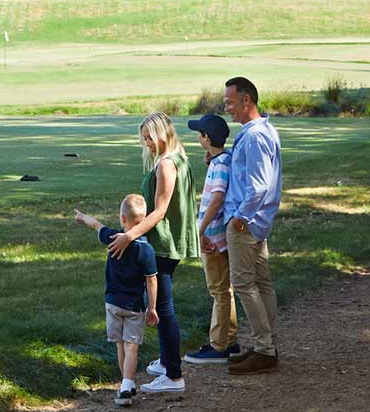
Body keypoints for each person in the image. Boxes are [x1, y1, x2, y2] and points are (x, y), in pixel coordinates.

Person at [108, 111, 199, 394]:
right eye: (144, 138)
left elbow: (159, 211)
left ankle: (173, 375)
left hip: (163, 243)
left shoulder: (166, 165)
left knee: (163, 309)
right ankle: (166, 360)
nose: (147, 142)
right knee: (160, 304)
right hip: (167, 242)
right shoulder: (178, 158)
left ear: (162, 133)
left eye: (150, 137)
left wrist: (128, 236)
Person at [74, 196, 159, 407]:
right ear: (145, 219)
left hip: (112, 303)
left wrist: (82, 217)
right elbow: (152, 280)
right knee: (132, 347)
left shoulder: (112, 237)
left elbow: (96, 224)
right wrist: (153, 307)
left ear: (122, 218)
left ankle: (125, 385)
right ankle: (126, 385)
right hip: (134, 306)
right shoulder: (146, 249)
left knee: (121, 345)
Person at [223, 75, 282, 375]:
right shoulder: (264, 131)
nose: (227, 109)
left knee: (244, 284)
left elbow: (258, 187)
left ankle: (264, 349)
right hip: (259, 223)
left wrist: (239, 219)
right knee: (262, 283)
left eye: (230, 102)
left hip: (247, 224)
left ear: (246, 100)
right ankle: (265, 343)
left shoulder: (256, 135)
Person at [183, 113, 241, 364]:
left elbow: (216, 199)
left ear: (206, 138)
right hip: (221, 236)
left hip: (213, 236)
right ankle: (230, 341)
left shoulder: (219, 165)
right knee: (225, 289)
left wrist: (200, 230)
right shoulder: (223, 159)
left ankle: (218, 346)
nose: (198, 136)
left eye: (199, 133)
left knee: (218, 290)